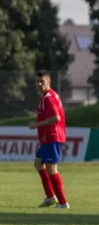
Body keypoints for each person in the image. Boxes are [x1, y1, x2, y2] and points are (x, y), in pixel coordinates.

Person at [27, 70, 68, 208]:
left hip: (52, 137)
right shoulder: (48, 96)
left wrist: (36, 125)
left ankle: (63, 202)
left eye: (42, 81)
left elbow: (56, 118)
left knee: (52, 169)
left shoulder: (48, 98)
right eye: (37, 81)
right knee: (38, 163)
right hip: (47, 139)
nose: (39, 84)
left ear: (48, 82)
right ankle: (51, 197)